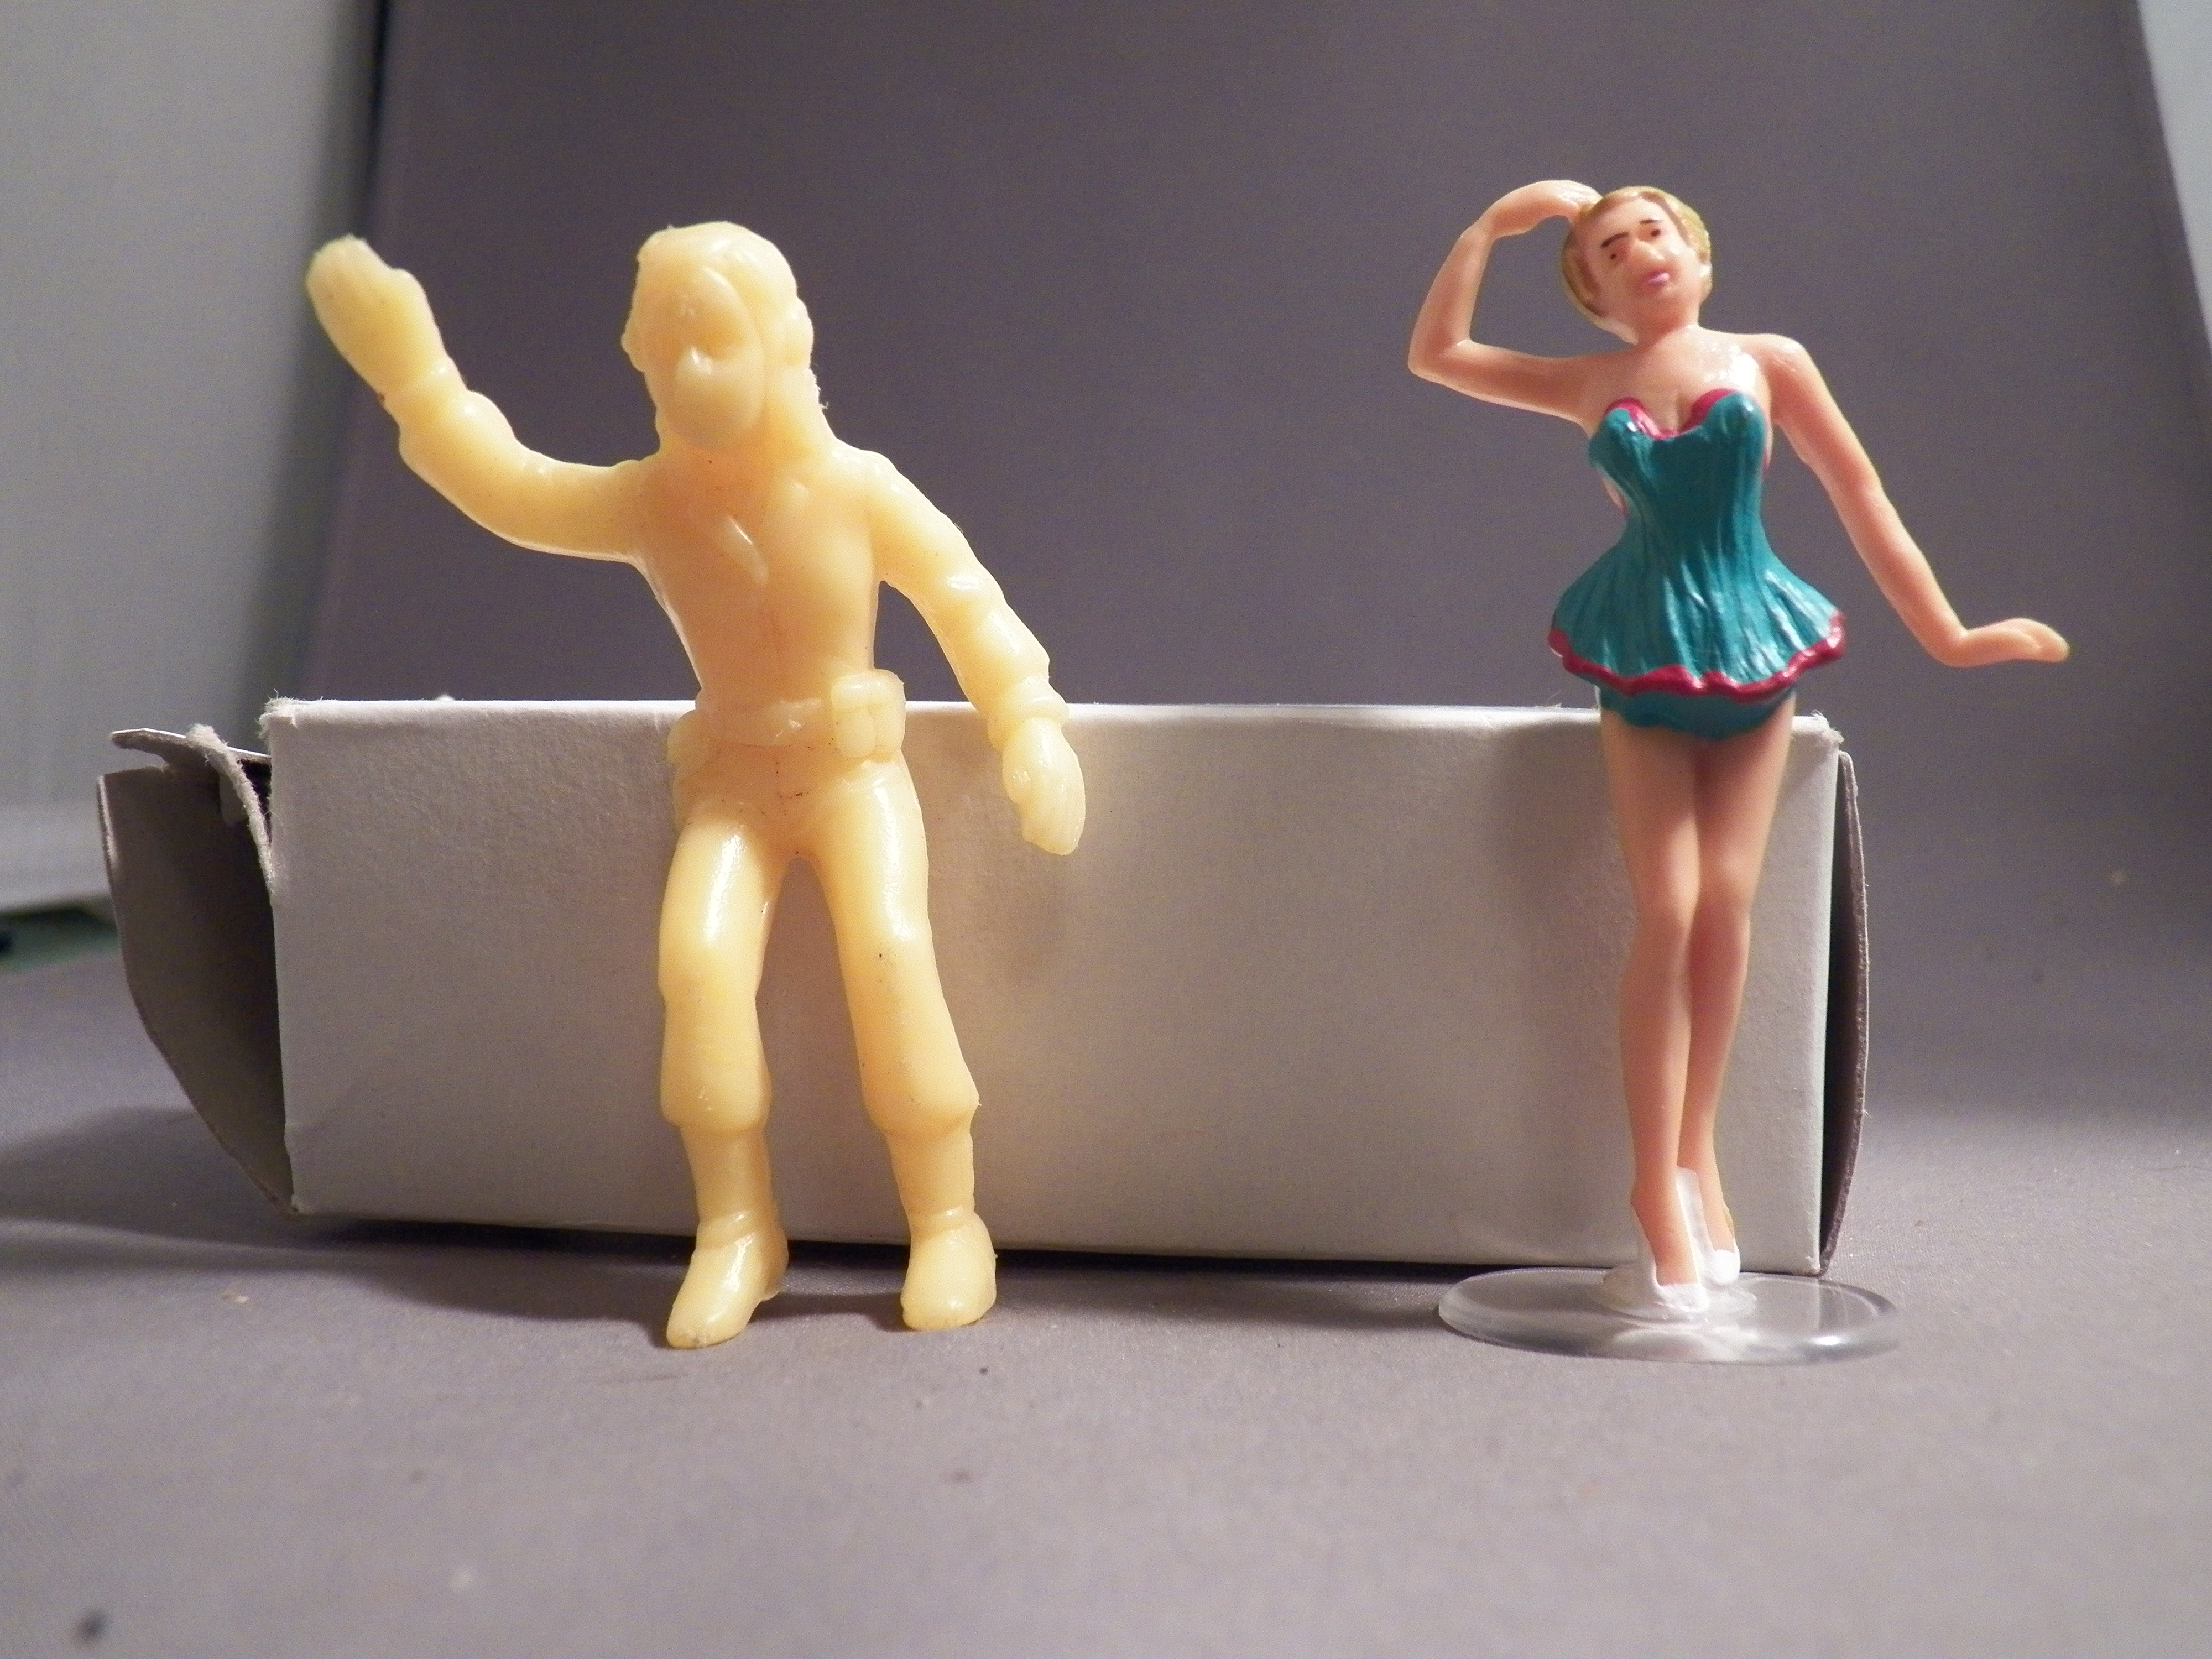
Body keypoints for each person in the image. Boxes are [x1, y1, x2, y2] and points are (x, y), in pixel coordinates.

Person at [308, 223, 1084, 1347]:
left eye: (711, 340)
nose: (684, 372)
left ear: (781, 342)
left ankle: (947, 1220)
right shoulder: (651, 503)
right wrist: (416, 380)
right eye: (659, 349)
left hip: (852, 773)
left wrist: (1028, 724)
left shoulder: (855, 488)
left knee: (889, 952)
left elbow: (967, 603)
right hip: (730, 781)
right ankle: (734, 1230)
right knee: (699, 961)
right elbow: (513, 488)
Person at [1408, 181, 2065, 1318]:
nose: (1639, 253)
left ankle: (1696, 1161)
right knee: (1666, 909)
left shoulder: (1769, 361)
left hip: (1754, 635)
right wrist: (1489, 229)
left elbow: (1857, 488)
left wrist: (1950, 635)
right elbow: (1439, 355)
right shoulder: (1585, 382)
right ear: (1593, 293)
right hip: (1641, 645)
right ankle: (1651, 1186)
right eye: (1610, 250)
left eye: (1654, 232)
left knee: (1725, 906)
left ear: (1699, 255)